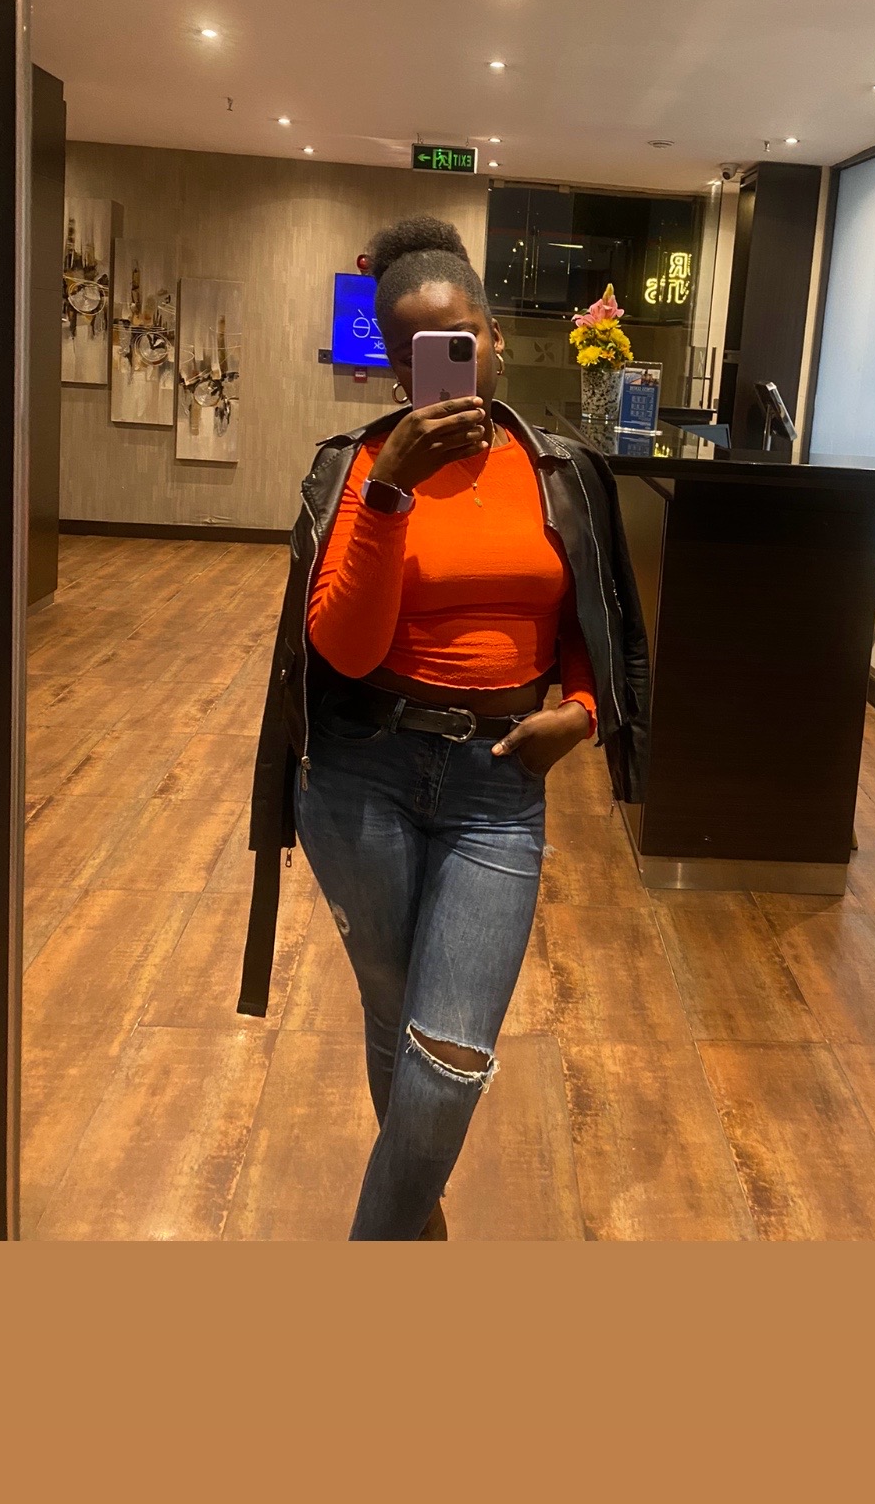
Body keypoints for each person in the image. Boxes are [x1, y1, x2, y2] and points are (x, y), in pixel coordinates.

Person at [238, 216, 650, 1240]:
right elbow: (342, 649)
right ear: (393, 362)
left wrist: (581, 715)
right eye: (419, 351)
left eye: (461, 341)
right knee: (395, 1015)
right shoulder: (355, 469)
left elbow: (596, 623)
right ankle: (414, 1223)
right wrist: (391, 492)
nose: (447, 367)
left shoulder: (558, 470)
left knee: (451, 1051)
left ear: (495, 336)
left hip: (497, 788)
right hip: (359, 777)